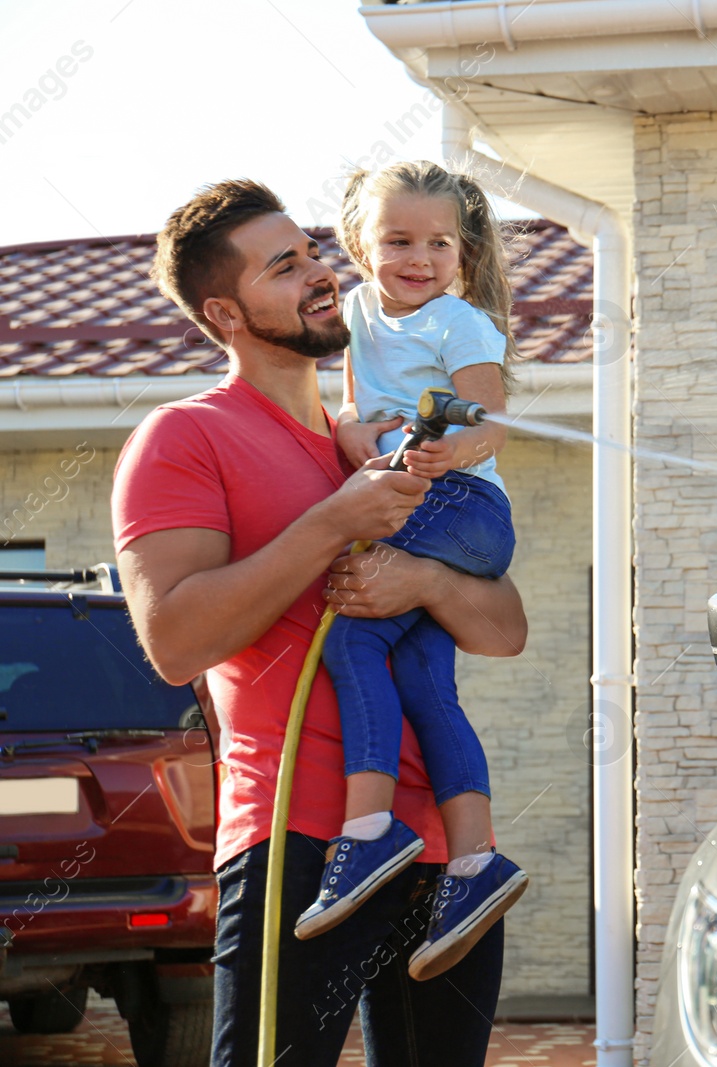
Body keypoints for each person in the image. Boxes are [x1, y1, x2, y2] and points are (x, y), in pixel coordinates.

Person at [112, 179, 527, 1067]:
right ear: (225, 312)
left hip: (443, 854)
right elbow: (175, 640)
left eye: (310, 253)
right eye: (283, 266)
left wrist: (419, 575)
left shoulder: (375, 444)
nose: (318, 274)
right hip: (299, 845)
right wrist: (335, 522)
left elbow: (502, 629)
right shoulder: (186, 438)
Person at [291, 161, 527, 982]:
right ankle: (473, 862)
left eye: (438, 242)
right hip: (418, 505)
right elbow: (353, 409)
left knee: (351, 645)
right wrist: (356, 435)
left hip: (462, 509)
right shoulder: (354, 313)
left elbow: (491, 419)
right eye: (397, 240)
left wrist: (445, 449)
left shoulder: (457, 321)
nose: (418, 256)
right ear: (360, 245)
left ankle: (368, 830)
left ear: (462, 255)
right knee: (427, 684)